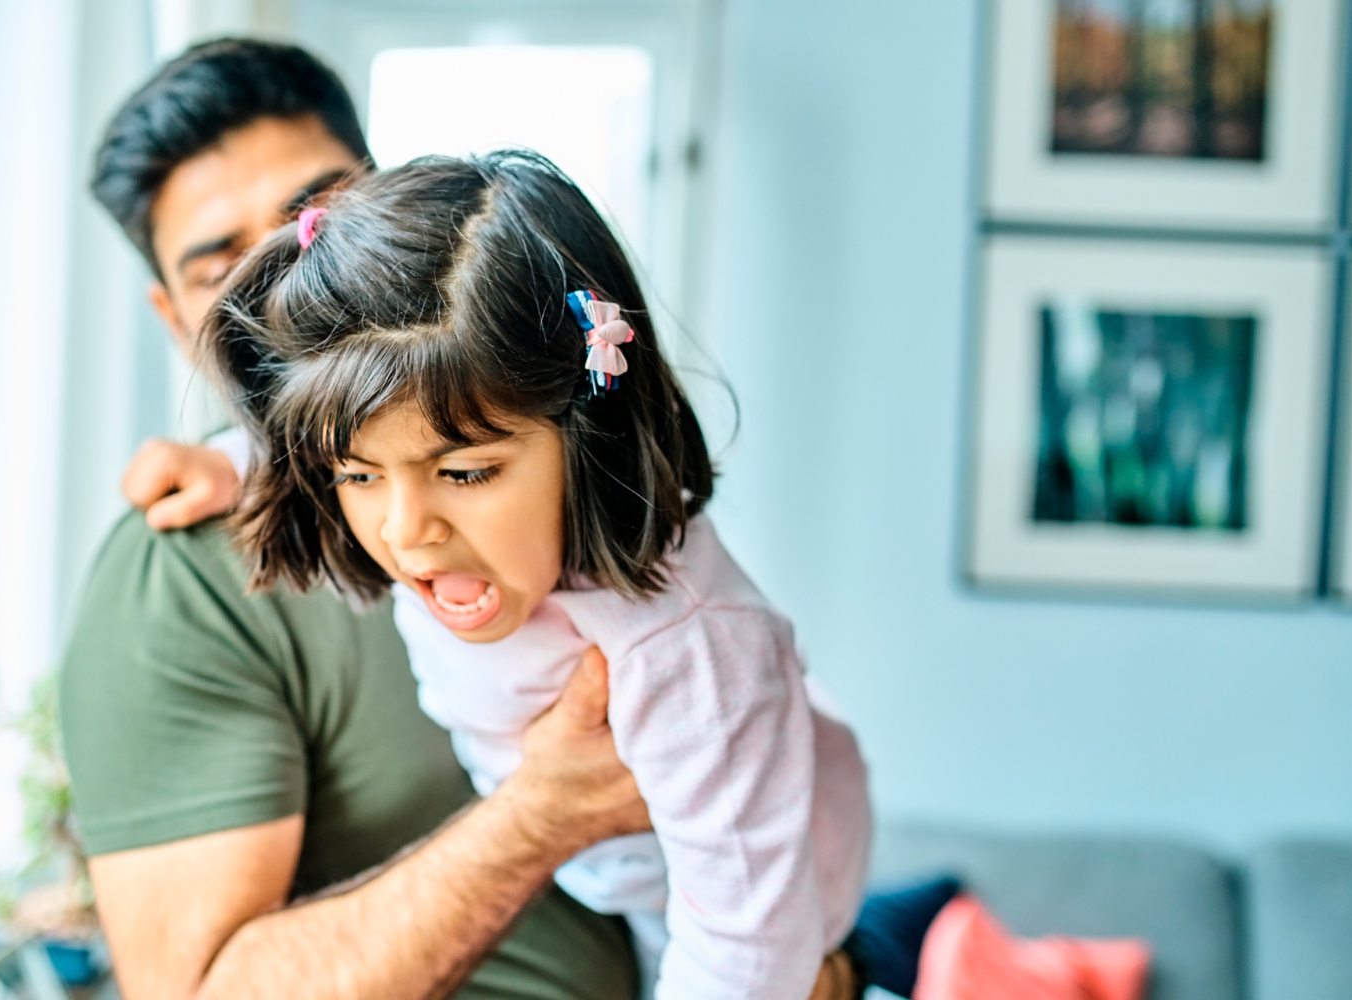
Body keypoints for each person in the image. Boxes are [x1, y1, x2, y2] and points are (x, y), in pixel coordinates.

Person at [202, 152, 874, 999]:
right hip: (615, 874)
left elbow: (747, 947)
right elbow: (346, 431)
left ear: (586, 435)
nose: (409, 532)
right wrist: (225, 465)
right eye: (360, 476)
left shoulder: (687, 649)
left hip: (767, 877)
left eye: (467, 473)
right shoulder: (406, 482)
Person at [63, 39, 650, 1000]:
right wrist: (545, 815)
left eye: (312, 223)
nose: (285, 290)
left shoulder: (534, 443)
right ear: (176, 321)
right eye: (222, 268)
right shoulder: (181, 578)